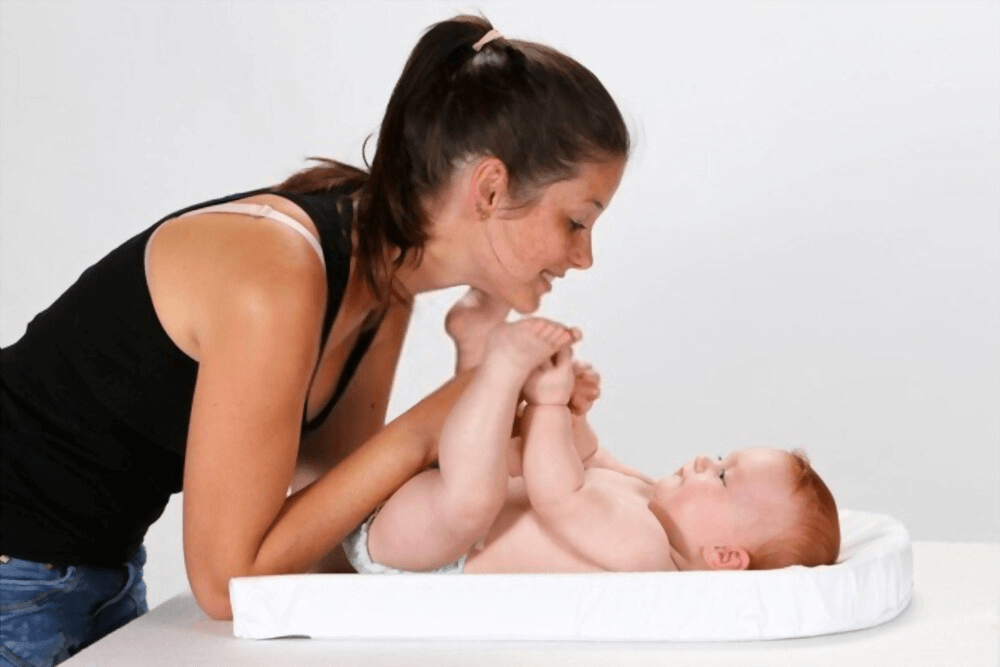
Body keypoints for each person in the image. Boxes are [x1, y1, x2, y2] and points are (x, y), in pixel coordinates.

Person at [0, 13, 629, 665]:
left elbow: (340, 530)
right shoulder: (276, 273)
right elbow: (227, 579)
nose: (584, 256)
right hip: (18, 577)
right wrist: (456, 399)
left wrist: (493, 397)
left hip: (90, 577)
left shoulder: (381, 275)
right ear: (491, 188)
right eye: (577, 221)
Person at [344, 293, 841, 574]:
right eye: (718, 456)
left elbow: (559, 493)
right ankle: (477, 354)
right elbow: (589, 459)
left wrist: (550, 402)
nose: (701, 462)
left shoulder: (645, 556)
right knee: (496, 458)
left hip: (426, 557)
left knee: (476, 489)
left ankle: (495, 367)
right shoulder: (648, 497)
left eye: (723, 477)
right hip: (435, 511)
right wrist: (575, 415)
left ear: (725, 556)